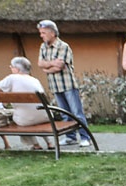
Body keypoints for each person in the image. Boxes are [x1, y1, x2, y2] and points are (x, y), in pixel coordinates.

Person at [36, 19, 90, 147]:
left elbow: (59, 66)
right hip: (55, 86)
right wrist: (50, 64)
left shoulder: (63, 46)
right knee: (64, 114)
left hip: (68, 85)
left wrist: (47, 67)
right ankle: (70, 137)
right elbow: (40, 64)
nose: (41, 35)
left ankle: (85, 137)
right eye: (41, 33)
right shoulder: (43, 47)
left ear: (52, 33)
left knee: (76, 113)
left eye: (43, 33)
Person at [0, 57, 53, 151]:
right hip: (46, 116)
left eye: (11, 66)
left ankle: (35, 145)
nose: (10, 68)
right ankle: (49, 143)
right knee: (30, 115)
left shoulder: (12, 78)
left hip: (26, 120)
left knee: (19, 119)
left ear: (17, 69)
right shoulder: (34, 80)